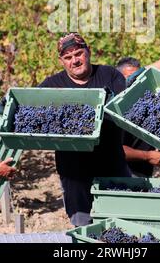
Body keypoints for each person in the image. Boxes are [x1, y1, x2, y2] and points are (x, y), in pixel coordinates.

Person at [39, 32, 130, 227]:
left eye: (78, 54)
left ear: (88, 52)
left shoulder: (109, 75)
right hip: (75, 175)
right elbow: (34, 115)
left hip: (112, 165)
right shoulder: (52, 85)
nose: (75, 60)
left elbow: (125, 111)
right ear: (61, 61)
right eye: (68, 57)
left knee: (121, 225)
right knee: (83, 226)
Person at [116, 57, 160, 177]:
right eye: (129, 78)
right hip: (122, 174)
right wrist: (148, 156)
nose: (134, 82)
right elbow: (115, 150)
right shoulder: (118, 110)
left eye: (138, 78)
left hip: (143, 173)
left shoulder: (145, 103)